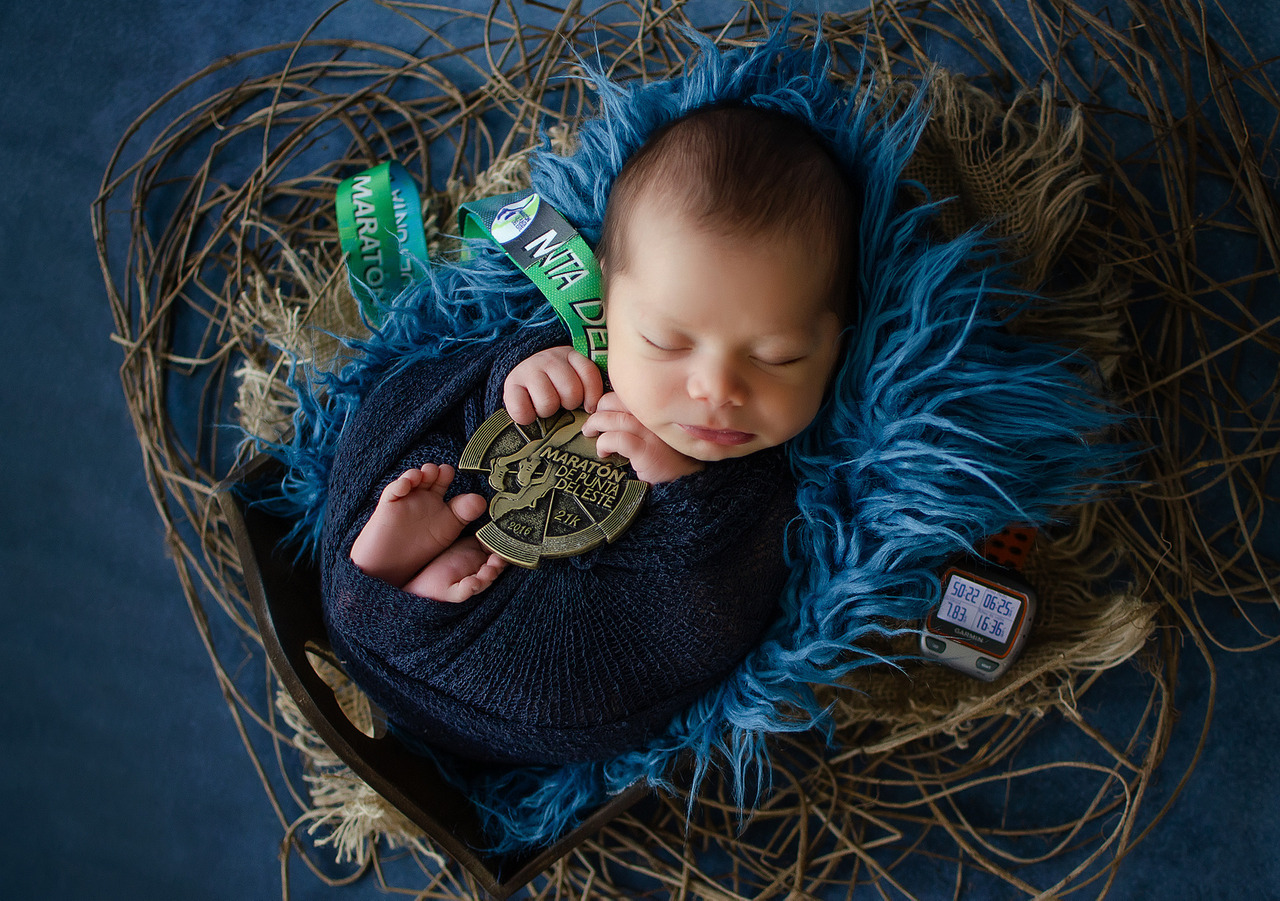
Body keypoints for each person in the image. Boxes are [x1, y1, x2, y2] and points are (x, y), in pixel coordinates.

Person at [348, 104, 856, 603]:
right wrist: (524, 370)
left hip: (580, 649)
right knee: (441, 449)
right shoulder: (585, 356)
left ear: (837, 345)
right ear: (605, 296)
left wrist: (681, 490)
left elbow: (733, 600)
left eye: (779, 357)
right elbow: (442, 373)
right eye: (666, 343)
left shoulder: (789, 485)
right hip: (474, 528)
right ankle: (386, 574)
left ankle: (402, 603)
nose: (717, 391)